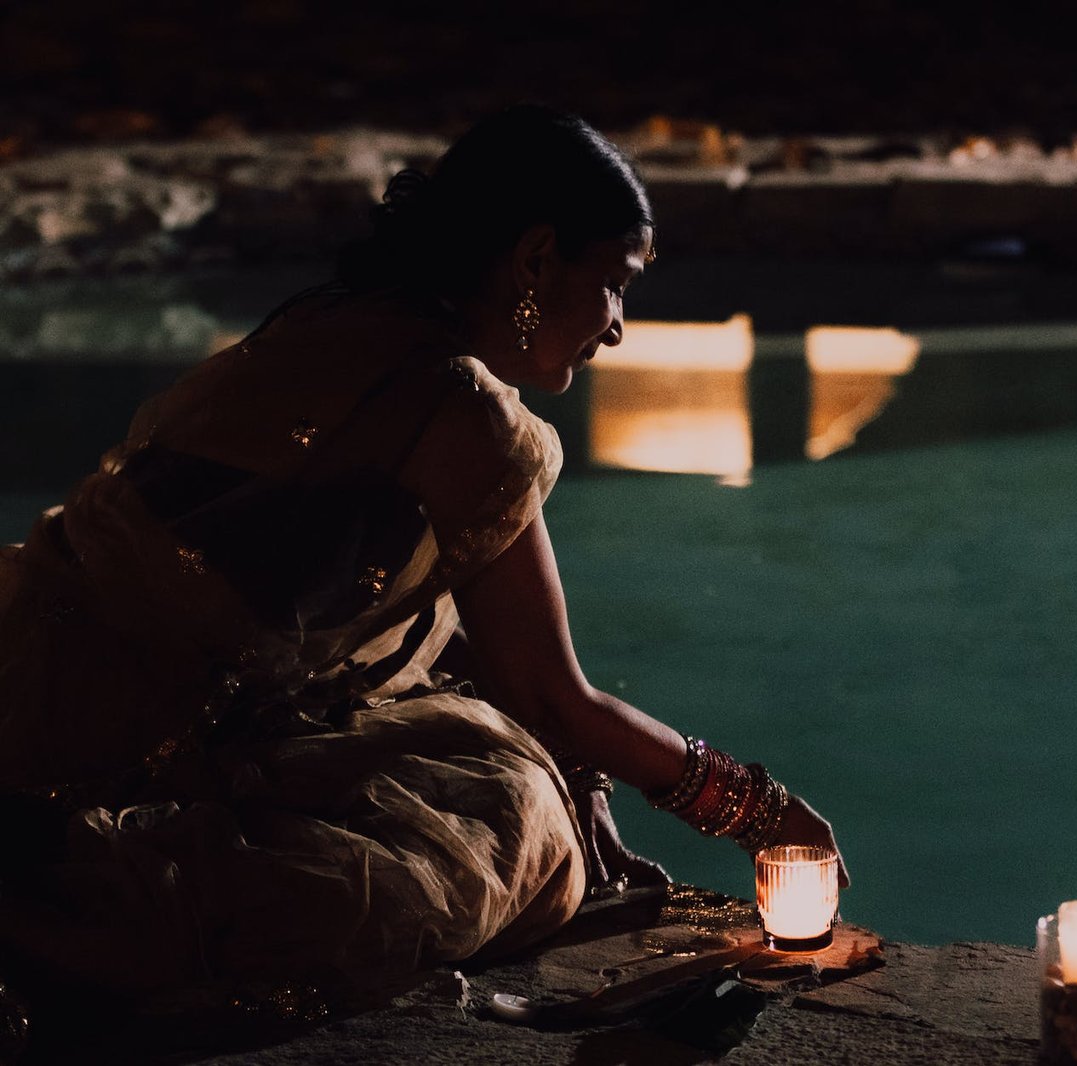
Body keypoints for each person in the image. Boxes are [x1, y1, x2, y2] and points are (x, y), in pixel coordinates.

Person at [0, 105, 845, 1019]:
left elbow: (454, 638)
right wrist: (765, 817)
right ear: (533, 260)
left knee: (516, 770)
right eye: (612, 283)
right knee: (504, 832)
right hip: (114, 752)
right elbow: (556, 694)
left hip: (29, 668)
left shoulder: (331, 326)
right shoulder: (469, 414)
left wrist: (584, 774)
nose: (617, 328)